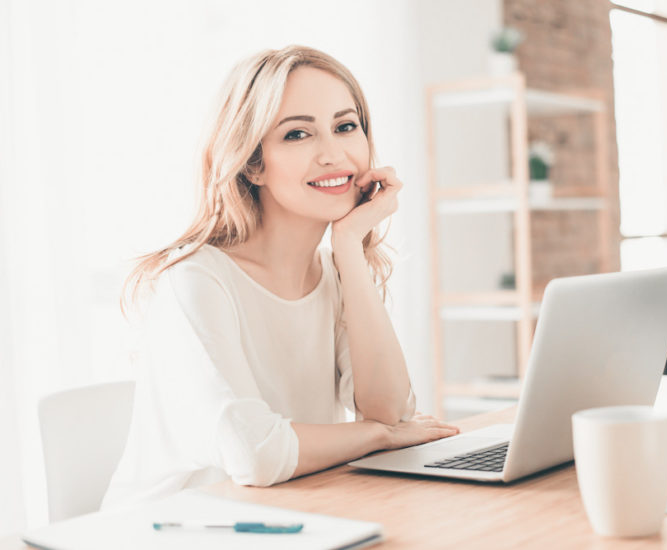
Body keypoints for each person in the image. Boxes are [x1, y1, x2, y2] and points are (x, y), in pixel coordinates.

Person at [102, 45, 459, 509]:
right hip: (169, 530)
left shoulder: (334, 273)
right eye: (297, 135)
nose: (334, 153)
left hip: (287, 515)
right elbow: (254, 455)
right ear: (253, 163)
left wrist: (349, 246)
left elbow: (390, 410)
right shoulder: (195, 282)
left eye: (346, 126)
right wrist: (374, 436)